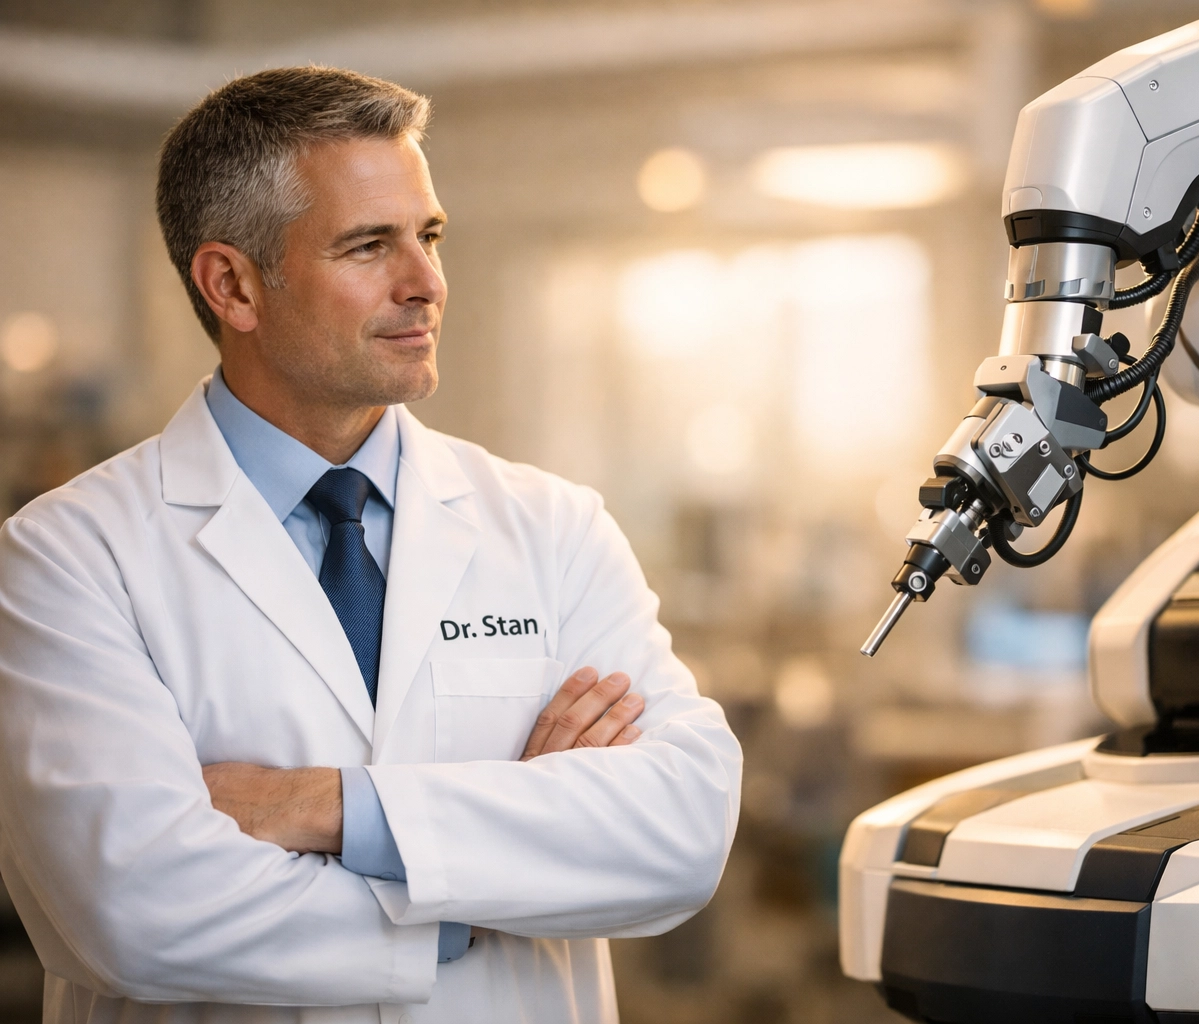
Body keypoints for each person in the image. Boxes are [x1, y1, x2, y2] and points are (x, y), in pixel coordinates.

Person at [0, 67, 741, 1023]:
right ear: (232, 285)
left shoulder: (553, 528)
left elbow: (678, 830)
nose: (427, 283)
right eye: (368, 246)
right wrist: (481, 890)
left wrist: (325, 807)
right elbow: (137, 907)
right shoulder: (70, 557)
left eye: (428, 235)